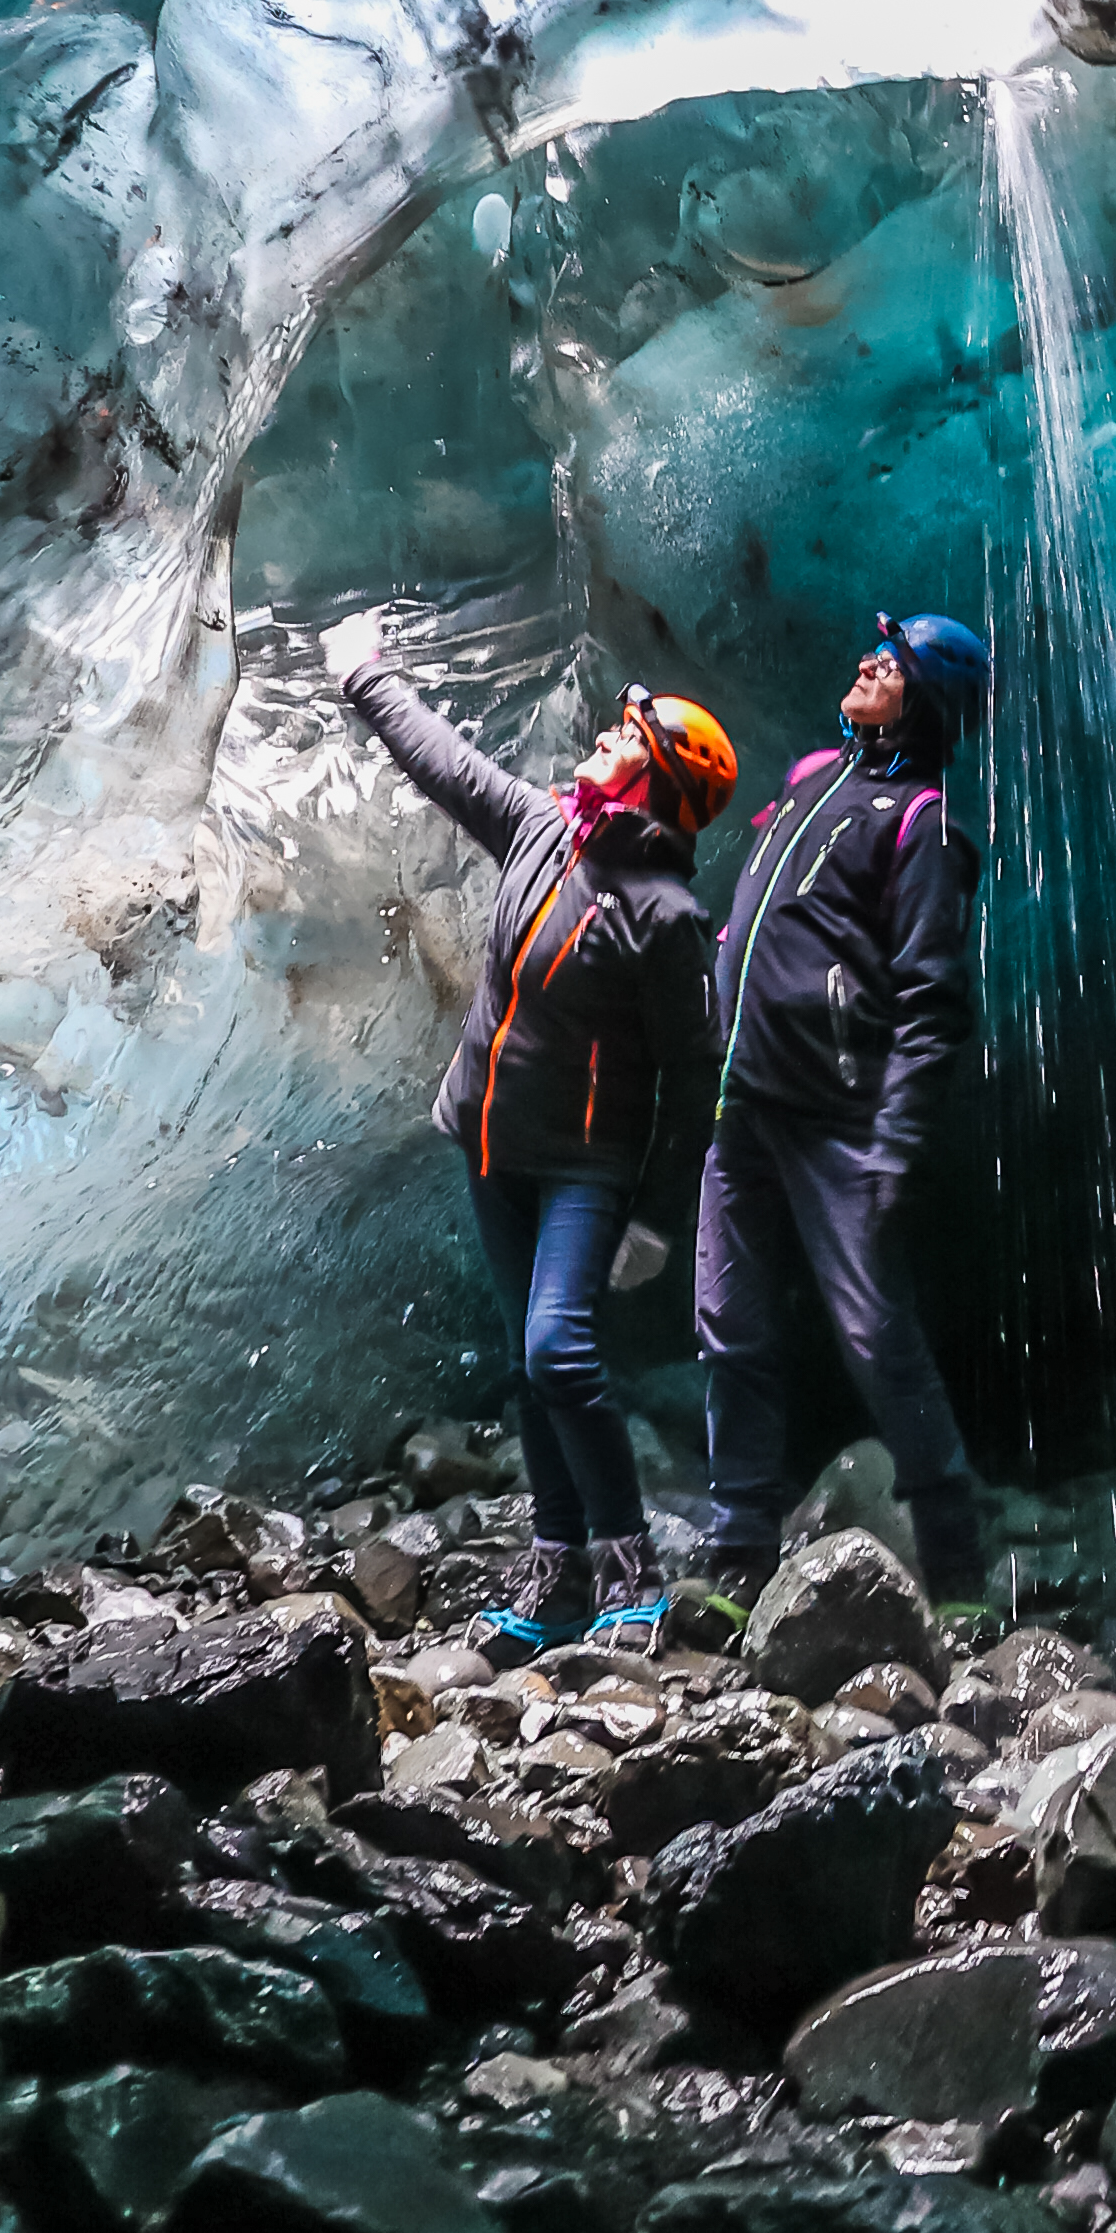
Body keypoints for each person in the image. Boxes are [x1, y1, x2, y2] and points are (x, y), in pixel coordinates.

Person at [324, 622, 734, 1652]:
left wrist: (655, 1216)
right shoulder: (550, 829)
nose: (606, 735)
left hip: (585, 1168)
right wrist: (369, 678)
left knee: (560, 1349)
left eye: (628, 734)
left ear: (659, 778)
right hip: (493, 1147)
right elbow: (449, 768)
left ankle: (629, 1570)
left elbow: (696, 1079)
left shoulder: (666, 915)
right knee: (529, 1357)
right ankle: (554, 1585)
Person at [700, 608, 994, 1613]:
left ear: (929, 701)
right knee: (728, 1323)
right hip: (745, 1099)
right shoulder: (810, 779)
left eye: (896, 660)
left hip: (838, 1116)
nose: (870, 661)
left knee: (876, 1338)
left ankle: (955, 1565)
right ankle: (738, 1550)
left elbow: (933, 1000)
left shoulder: (922, 825)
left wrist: (896, 1142)